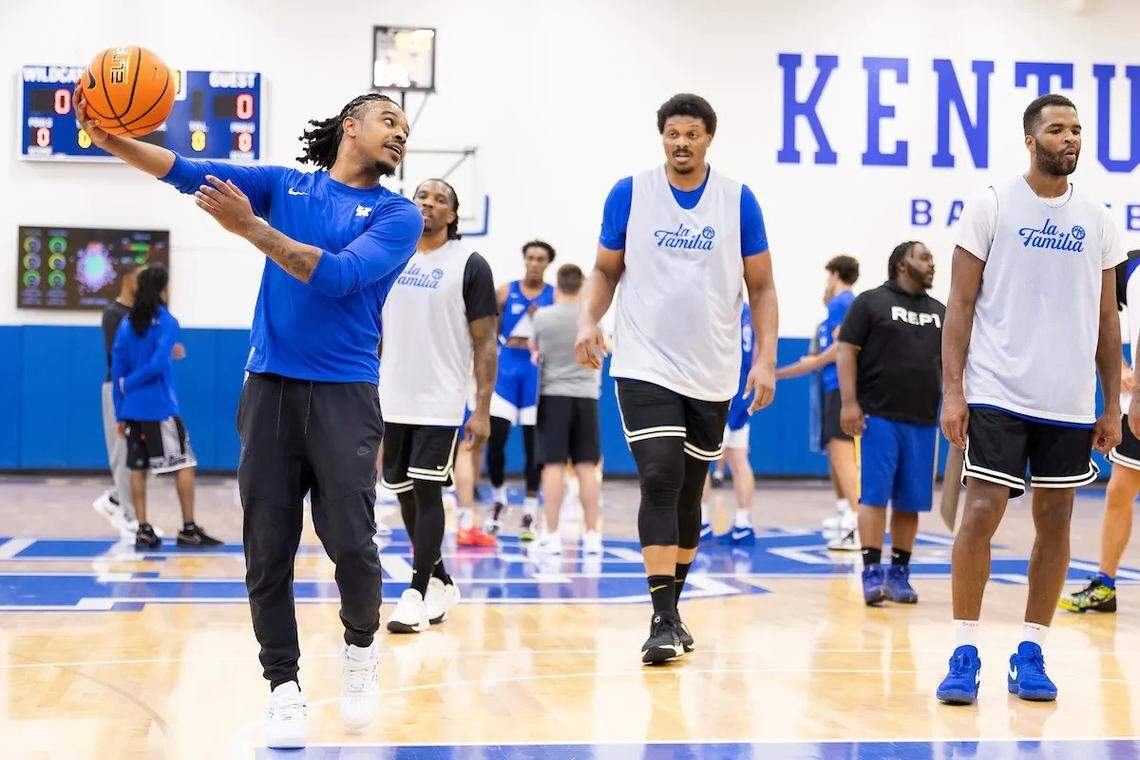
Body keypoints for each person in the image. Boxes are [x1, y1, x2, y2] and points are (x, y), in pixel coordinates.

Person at [76, 89, 423, 746]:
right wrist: (111, 138)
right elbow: (181, 171)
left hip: (347, 392)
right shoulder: (286, 186)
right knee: (267, 549)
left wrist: (248, 229)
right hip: (269, 388)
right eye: (389, 120)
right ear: (350, 125)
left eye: (407, 128)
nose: (401, 133)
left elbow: (339, 277)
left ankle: (358, 649)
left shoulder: (396, 214)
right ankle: (284, 687)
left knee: (351, 541)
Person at [575, 93, 778, 664]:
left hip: (713, 369)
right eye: (672, 134)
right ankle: (660, 617)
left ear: (709, 137)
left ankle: (674, 608)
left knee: (691, 491)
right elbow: (605, 269)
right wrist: (590, 318)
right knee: (659, 476)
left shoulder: (738, 200)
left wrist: (764, 359)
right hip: (644, 362)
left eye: (691, 134)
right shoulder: (630, 193)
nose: (681, 143)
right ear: (661, 137)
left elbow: (761, 288)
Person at [937, 94, 1124, 705]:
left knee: (1057, 522)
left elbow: (1106, 316)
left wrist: (1108, 400)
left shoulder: (1098, 216)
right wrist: (953, 390)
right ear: (1030, 139)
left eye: (1076, 129)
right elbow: (960, 304)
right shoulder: (991, 204)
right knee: (983, 512)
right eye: (1057, 129)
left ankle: (1032, 650)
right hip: (997, 388)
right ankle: (964, 649)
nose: (1070, 138)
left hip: (1067, 399)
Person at [379, 179, 498, 632]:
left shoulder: (469, 263)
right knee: (405, 492)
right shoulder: (392, 254)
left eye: (440, 199)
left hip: (441, 398)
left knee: (428, 491)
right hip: (393, 396)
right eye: (421, 197)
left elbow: (485, 342)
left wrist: (482, 408)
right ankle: (441, 580)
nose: (428, 204)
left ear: (453, 215)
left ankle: (414, 591)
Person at [835, 242, 943, 605]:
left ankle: (899, 573)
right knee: (875, 496)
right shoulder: (870, 302)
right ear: (901, 263)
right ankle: (870, 571)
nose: (932, 263)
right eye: (924, 257)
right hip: (878, 417)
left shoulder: (939, 312)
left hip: (924, 421)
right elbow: (846, 350)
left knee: (910, 503)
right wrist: (849, 403)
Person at [110, 264, 220, 551]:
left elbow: (118, 369)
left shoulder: (127, 323)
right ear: (162, 289)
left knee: (138, 468)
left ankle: (143, 529)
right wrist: (130, 383)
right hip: (160, 408)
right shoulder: (168, 322)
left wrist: (121, 408)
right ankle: (188, 528)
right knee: (186, 464)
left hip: (133, 410)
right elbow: (157, 365)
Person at [1060, 250, 1140, 614]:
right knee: (1120, 489)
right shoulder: (1130, 271)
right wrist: (1129, 377)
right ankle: (1105, 584)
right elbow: (1099, 320)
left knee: (1119, 490)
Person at [776, 255, 861, 547]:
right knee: (834, 454)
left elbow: (843, 345)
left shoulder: (842, 302)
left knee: (842, 451)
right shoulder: (832, 313)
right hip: (831, 385)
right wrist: (773, 373)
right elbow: (813, 360)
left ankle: (857, 520)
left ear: (836, 275)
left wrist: (817, 361)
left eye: (828, 277)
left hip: (843, 385)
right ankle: (843, 513)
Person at [484, 241, 556, 540]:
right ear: (524, 259)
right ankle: (499, 498)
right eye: (530, 258)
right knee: (496, 441)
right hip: (506, 369)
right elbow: (487, 327)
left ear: (548, 263)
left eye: (540, 259)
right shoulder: (504, 291)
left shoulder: (554, 296)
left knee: (532, 446)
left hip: (535, 372)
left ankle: (529, 508)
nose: (535, 263)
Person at [530, 264, 603, 556]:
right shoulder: (593, 321)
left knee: (554, 467)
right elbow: (603, 350)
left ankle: (551, 534)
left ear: (557, 285)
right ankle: (593, 535)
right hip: (586, 398)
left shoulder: (543, 318)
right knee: (587, 467)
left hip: (554, 396)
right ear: (583, 285)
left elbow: (535, 351)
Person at [700, 302, 758, 546]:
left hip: (720, 392)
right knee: (739, 460)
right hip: (743, 392)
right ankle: (743, 524)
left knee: (700, 460)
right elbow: (757, 353)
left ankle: (701, 523)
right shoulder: (750, 311)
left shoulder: (722, 306)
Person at [93, 263, 143, 538]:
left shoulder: (141, 313)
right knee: (121, 451)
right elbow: (119, 355)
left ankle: (115, 499)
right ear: (127, 280)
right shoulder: (113, 314)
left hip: (138, 387)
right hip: (118, 386)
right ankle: (127, 514)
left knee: (139, 454)